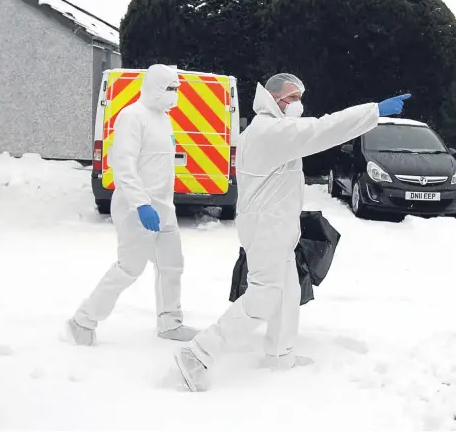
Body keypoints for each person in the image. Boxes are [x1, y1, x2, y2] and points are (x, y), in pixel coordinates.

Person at [173, 73, 411, 391]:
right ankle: (198, 353)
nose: (299, 104)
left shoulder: (269, 129)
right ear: (276, 99)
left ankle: (279, 354)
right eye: (294, 97)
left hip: (276, 227)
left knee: (287, 292)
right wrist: (373, 111)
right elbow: (322, 129)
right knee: (264, 296)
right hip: (266, 229)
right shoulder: (271, 131)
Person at [67, 64, 199, 346]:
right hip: (134, 207)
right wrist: (141, 204)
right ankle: (83, 320)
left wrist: (161, 204)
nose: (174, 94)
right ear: (154, 87)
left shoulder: (163, 118)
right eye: (170, 88)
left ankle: (170, 322)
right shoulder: (131, 117)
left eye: (177, 88)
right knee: (129, 267)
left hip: (163, 207)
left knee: (171, 264)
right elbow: (122, 164)